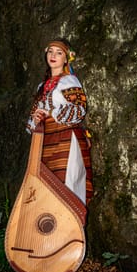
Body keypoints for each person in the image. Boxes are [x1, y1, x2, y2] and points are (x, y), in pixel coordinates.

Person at [26, 38, 93, 206]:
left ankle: (73, 228)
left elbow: (79, 110)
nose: (53, 55)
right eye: (50, 51)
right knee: (49, 189)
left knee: (68, 185)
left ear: (66, 58)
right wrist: (35, 119)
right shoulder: (42, 86)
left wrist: (51, 112)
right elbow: (32, 119)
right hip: (46, 142)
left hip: (66, 139)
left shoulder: (70, 81)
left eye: (59, 52)